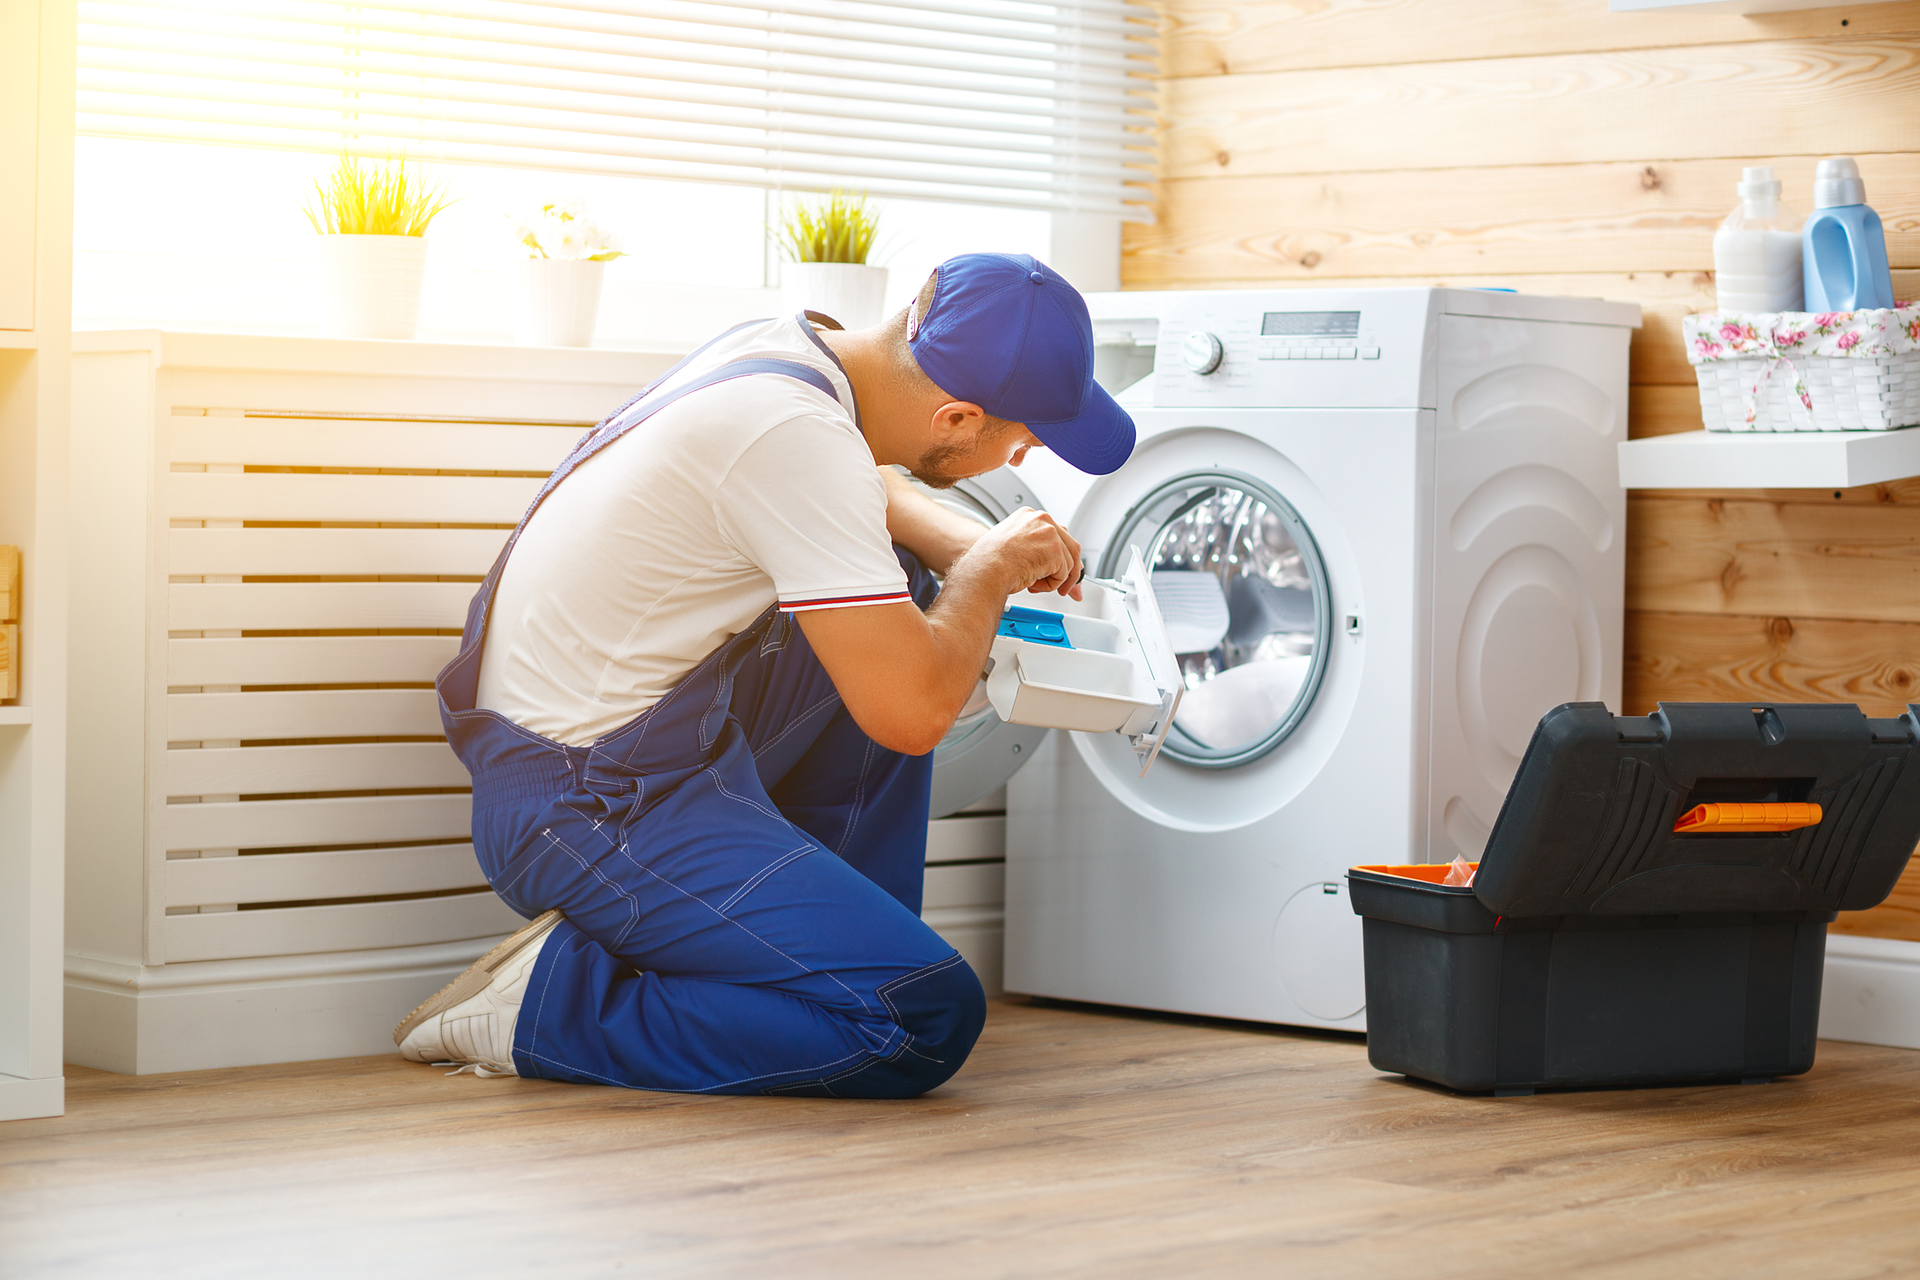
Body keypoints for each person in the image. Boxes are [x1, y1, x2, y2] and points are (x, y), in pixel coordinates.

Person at [393, 253, 1135, 1097]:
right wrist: (986, 575)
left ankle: (829, 953)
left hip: (638, 748)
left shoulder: (791, 355)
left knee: (901, 582)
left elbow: (848, 491)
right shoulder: (795, 436)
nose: (1031, 453)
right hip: (584, 804)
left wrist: (962, 544)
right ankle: (542, 1009)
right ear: (956, 416)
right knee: (921, 1019)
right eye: (1026, 438)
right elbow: (913, 713)